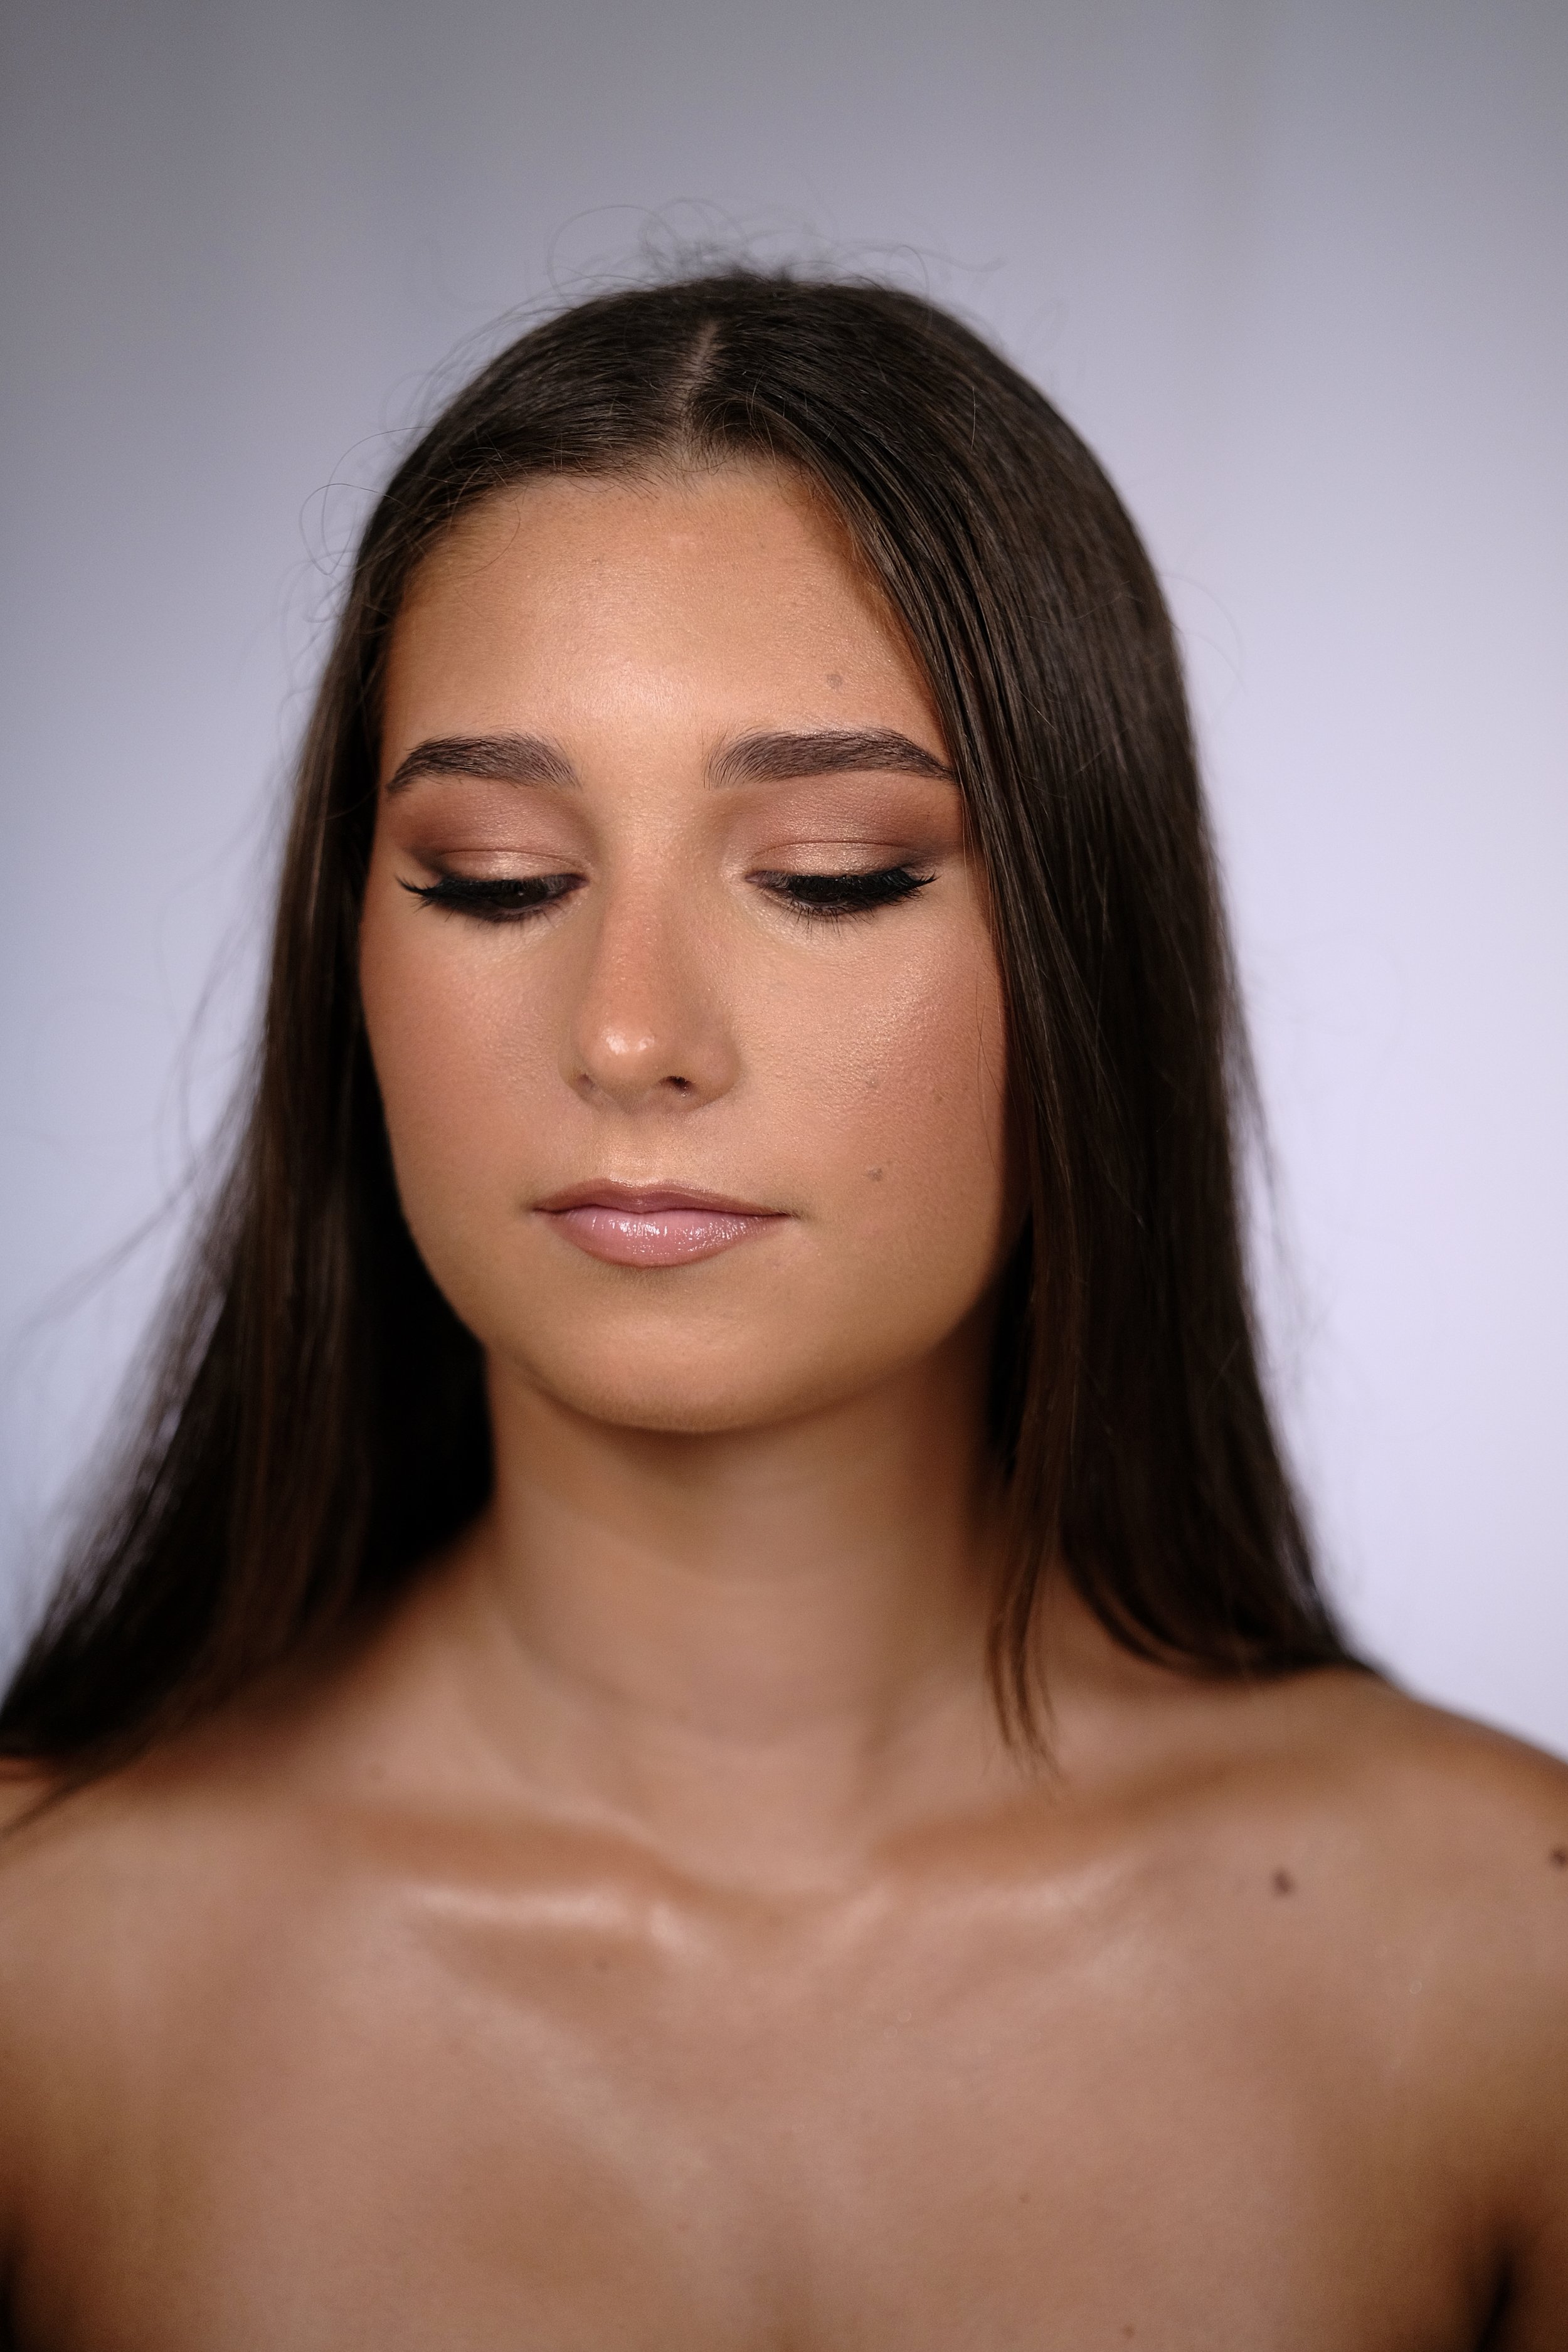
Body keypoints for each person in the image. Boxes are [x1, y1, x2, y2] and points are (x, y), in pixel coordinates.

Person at [0, 271, 1563, 2349]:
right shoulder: (47, 1967)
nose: (632, 1032)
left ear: (1087, 948)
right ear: (348, 958)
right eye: (491, 877)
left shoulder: (1499, 1978)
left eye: (827, 875)